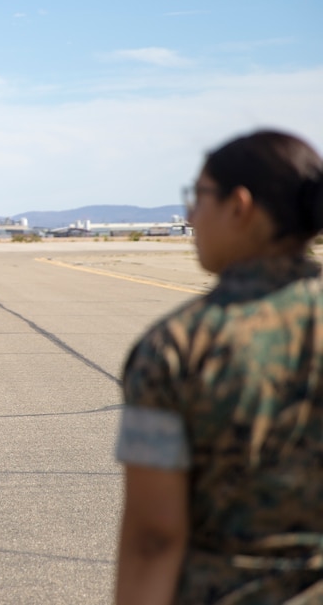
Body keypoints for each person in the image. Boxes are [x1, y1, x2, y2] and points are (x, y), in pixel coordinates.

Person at [115, 129, 323, 604]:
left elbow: (155, 536)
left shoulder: (178, 348)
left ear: (240, 206)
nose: (190, 216)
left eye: (199, 197)